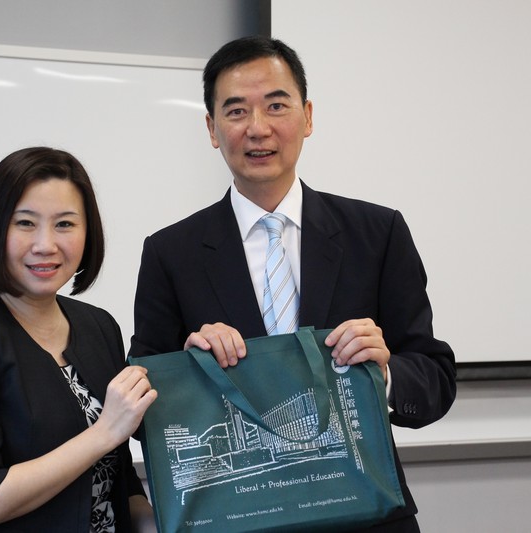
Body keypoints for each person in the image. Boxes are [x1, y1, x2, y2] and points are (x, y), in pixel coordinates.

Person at [128, 36, 456, 531]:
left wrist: (382, 374)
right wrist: (185, 369)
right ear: (212, 129)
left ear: (307, 117)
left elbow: (435, 380)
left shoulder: (377, 233)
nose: (258, 129)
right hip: (238, 516)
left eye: (276, 105)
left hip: (367, 515)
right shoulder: (170, 252)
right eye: (236, 111)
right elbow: (143, 408)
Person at [0, 147, 157, 533]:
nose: (45, 244)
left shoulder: (98, 327)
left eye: (65, 224)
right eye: (25, 223)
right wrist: (104, 433)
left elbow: (118, 482)